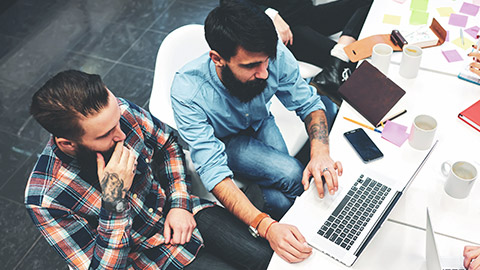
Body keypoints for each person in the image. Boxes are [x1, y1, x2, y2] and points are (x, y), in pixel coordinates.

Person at [25, 70, 273, 270]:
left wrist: (178, 203)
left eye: (117, 122)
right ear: (68, 143)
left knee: (268, 258)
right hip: (144, 257)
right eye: (106, 135)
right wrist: (114, 200)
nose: (121, 133)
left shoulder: (119, 112)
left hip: (179, 211)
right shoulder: (46, 199)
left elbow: (168, 145)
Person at [171, 0, 342, 263]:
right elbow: (214, 174)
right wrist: (265, 226)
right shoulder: (188, 91)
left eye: (266, 62)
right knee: (293, 174)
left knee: (289, 190)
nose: (264, 73)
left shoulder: (271, 55)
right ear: (218, 59)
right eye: (251, 66)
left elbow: (310, 104)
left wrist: (319, 153)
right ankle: (274, 219)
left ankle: (263, 201)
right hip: (224, 141)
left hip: (261, 121)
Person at [222, 0, 373, 102]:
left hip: (306, 14)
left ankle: (340, 52)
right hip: (288, 32)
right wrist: (270, 14)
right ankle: (337, 68)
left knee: (368, 2)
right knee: (354, 64)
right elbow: (228, 3)